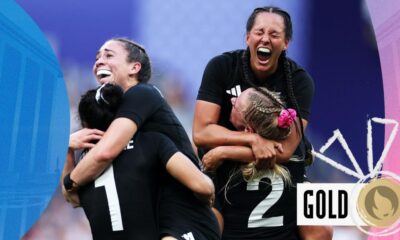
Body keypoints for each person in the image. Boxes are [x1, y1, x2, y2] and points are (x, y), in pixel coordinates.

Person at [193, 6, 332, 240]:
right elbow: (201, 133)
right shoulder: (221, 67)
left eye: (275, 34)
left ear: (286, 43)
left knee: (322, 230)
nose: (265, 38)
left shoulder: (299, 80)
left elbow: (285, 150)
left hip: (283, 165)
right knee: (207, 225)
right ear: (247, 37)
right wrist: (252, 139)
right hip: (222, 170)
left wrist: (225, 151)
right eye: (259, 32)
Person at [62, 38, 220, 239]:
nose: (99, 61)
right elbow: (75, 199)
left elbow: (105, 153)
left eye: (109, 55)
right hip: (160, 218)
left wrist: (70, 181)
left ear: (134, 68)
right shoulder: (119, 118)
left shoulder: (142, 93)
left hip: (185, 215)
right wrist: (68, 149)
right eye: (97, 57)